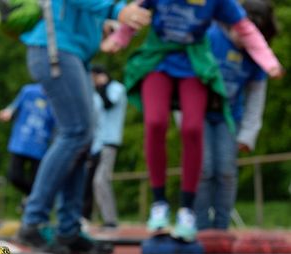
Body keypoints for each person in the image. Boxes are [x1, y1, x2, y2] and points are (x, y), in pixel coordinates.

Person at [102, 0, 283, 241]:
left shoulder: (221, 6)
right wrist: (119, 38)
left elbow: (246, 29)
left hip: (200, 74)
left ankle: (196, 216)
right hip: (160, 58)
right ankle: (161, 205)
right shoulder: (213, 35)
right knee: (158, 125)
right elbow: (136, 12)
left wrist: (269, 62)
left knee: (208, 148)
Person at [16, 0, 150, 254]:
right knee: (76, 133)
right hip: (55, 49)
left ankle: (68, 228)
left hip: (71, 52)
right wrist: (117, 11)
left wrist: (106, 25)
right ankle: (33, 221)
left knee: (81, 138)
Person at [195, 0, 278, 230]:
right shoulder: (210, 35)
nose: (244, 41)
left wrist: (248, 134)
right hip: (198, 114)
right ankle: (200, 228)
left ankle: (221, 230)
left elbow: (255, 97)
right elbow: (186, 80)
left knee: (226, 172)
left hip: (229, 118)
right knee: (204, 169)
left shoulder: (256, 56)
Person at [83, 65, 127, 229]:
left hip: (110, 140)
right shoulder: (95, 94)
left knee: (100, 180)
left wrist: (102, 86)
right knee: (88, 181)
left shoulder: (116, 88)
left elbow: (109, 104)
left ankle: (111, 220)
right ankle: (86, 216)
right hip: (96, 143)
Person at [0, 83, 55, 200]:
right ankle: (31, 197)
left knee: (37, 182)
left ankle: (31, 205)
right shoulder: (29, 91)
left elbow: (57, 124)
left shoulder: (56, 98)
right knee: (14, 177)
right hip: (21, 143)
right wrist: (7, 113)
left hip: (40, 147)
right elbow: (14, 107)